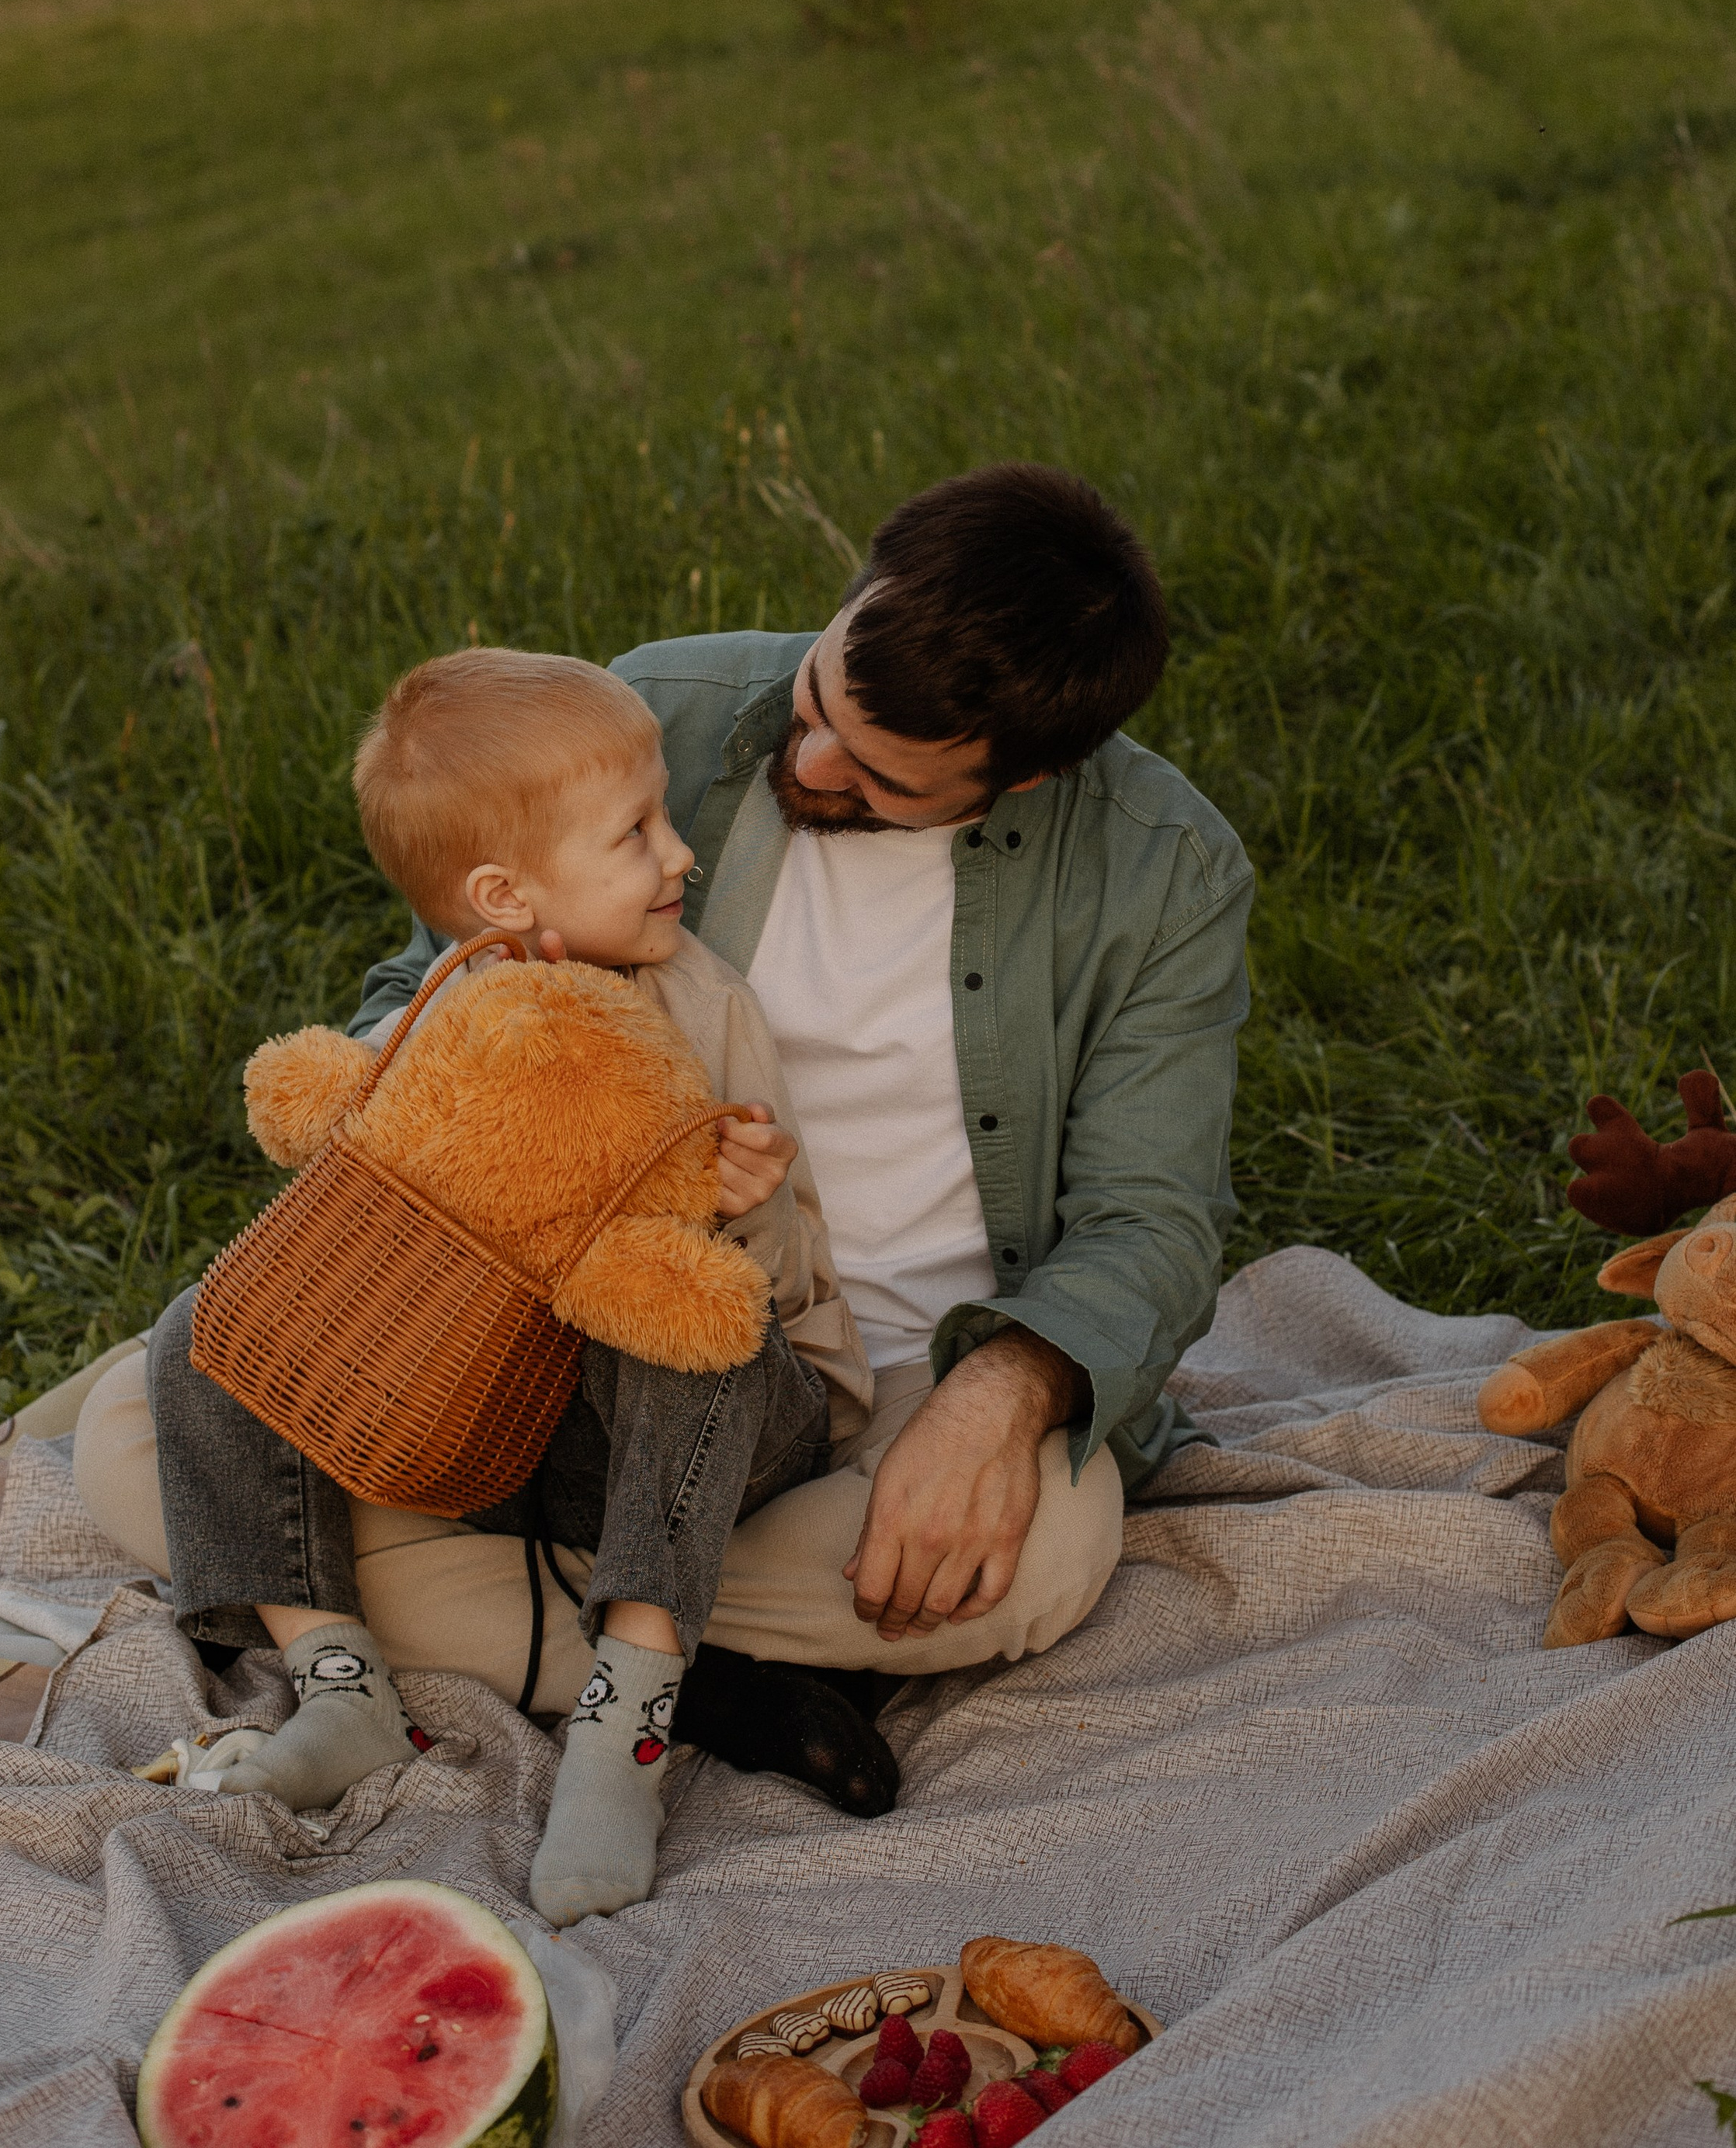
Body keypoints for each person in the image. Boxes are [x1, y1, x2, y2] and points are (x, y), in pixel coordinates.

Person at [77, 461, 1252, 1834]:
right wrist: (485, 1055)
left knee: (1043, 1552)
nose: (809, 765)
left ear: (1026, 778)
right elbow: (410, 993)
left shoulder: (1166, 871)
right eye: (817, 702)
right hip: (523, 1345)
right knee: (151, 1403)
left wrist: (1005, 1396)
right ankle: (687, 1669)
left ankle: (481, 1619)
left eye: (879, 778)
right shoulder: (648, 715)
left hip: (839, 1398)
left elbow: (1154, 1223)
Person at [128, 646, 867, 1924]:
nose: (681, 855)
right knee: (211, 1329)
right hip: (491, 1431)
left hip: (718, 1428)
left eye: (668, 819)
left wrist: (735, 1208)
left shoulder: (703, 1012)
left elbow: (770, 1300)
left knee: (697, 1341)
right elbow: (368, 1226)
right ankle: (339, 1683)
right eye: (636, 833)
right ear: (501, 897)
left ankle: (624, 1728)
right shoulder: (445, 1011)